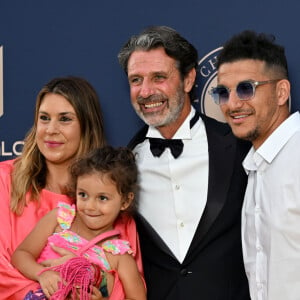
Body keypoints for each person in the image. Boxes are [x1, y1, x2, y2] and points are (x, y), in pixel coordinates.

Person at [118, 25, 251, 299]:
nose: (145, 91)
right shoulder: (121, 166)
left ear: (189, 79)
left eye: (158, 77)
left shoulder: (239, 148)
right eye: (136, 80)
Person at [211, 30, 300, 300]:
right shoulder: (255, 167)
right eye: (223, 93)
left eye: (246, 88)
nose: (233, 103)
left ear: (281, 92)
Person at [0, 76, 107, 299]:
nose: (51, 129)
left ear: (87, 126)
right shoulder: (4, 179)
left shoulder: (106, 196)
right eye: (44, 118)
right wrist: (50, 291)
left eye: (65, 119)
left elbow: (126, 282)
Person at [11, 146, 146, 300]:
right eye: (83, 195)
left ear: (125, 201)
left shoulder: (119, 255)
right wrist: (41, 273)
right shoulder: (60, 219)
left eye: (102, 198)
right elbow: (20, 255)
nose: (90, 206)